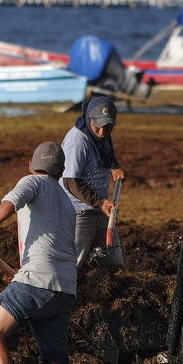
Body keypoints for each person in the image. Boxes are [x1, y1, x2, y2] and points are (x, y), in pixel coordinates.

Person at [0, 141, 77, 364]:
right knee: (58, 354)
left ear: (30, 166)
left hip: (36, 280)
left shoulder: (33, 182)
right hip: (65, 287)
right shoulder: (67, 202)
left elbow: (11, 200)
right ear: (61, 171)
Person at [60, 95, 126, 269]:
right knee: (71, 266)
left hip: (100, 210)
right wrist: (99, 202)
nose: (102, 133)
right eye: (98, 127)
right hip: (78, 213)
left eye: (108, 127)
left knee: (113, 264)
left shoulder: (102, 135)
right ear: (89, 118)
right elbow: (70, 181)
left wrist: (115, 166)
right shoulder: (77, 141)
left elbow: (103, 152)